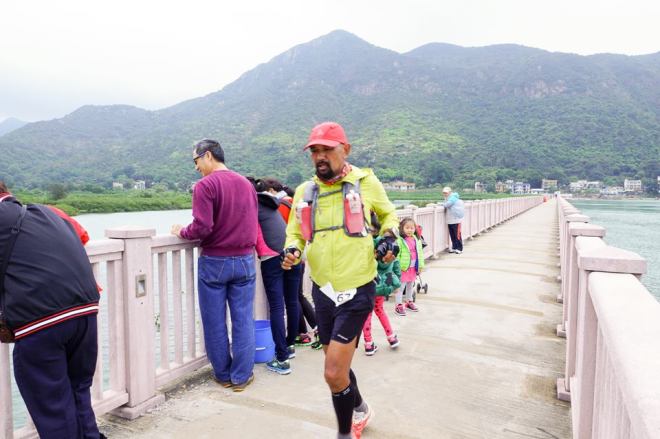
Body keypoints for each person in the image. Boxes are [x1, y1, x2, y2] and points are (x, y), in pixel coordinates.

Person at [282, 122, 399, 439]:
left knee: (332, 371)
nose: (320, 156)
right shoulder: (306, 192)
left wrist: (389, 240)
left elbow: (389, 216)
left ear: (345, 150)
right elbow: (294, 232)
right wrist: (292, 249)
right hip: (322, 290)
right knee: (338, 370)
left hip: (358, 287)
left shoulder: (365, 183)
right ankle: (360, 407)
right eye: (314, 151)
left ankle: (345, 433)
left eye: (327, 149)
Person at [0, 181, 104, 438]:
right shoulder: (46, 212)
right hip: (85, 311)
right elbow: (82, 235)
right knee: (79, 390)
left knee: (53, 406)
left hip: (42, 321)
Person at [171, 139, 258, 392]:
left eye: (196, 160)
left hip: (215, 262)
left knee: (214, 321)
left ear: (207, 156)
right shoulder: (245, 184)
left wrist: (181, 231)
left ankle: (223, 374)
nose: (196, 167)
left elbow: (202, 227)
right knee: (243, 320)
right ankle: (241, 377)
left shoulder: (205, 186)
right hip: (244, 260)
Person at [248, 177, 301, 374]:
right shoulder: (269, 203)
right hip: (292, 254)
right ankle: (289, 346)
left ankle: (282, 359)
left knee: (277, 307)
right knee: (292, 301)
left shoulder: (251, 205)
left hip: (272, 258)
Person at [362, 212, 400, 355]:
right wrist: (395, 285)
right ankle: (391, 337)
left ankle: (368, 343)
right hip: (379, 286)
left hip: (367, 285)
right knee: (379, 311)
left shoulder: (369, 244)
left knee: (367, 314)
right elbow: (392, 268)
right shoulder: (388, 244)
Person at [394, 217, 424, 316]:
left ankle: (409, 302)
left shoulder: (416, 239)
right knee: (400, 287)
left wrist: (420, 266)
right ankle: (398, 305)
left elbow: (420, 253)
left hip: (412, 268)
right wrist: (397, 267)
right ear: (402, 228)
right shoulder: (400, 240)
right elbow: (397, 255)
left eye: (412, 228)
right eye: (407, 228)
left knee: (410, 286)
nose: (410, 230)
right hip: (403, 268)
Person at [442, 186, 465, 254]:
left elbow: (447, 205)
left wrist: (443, 203)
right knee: (452, 235)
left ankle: (460, 248)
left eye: (446, 193)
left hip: (456, 220)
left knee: (457, 235)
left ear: (450, 192)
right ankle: (454, 247)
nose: (445, 194)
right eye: (444, 193)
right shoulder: (448, 198)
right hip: (450, 220)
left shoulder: (452, 198)